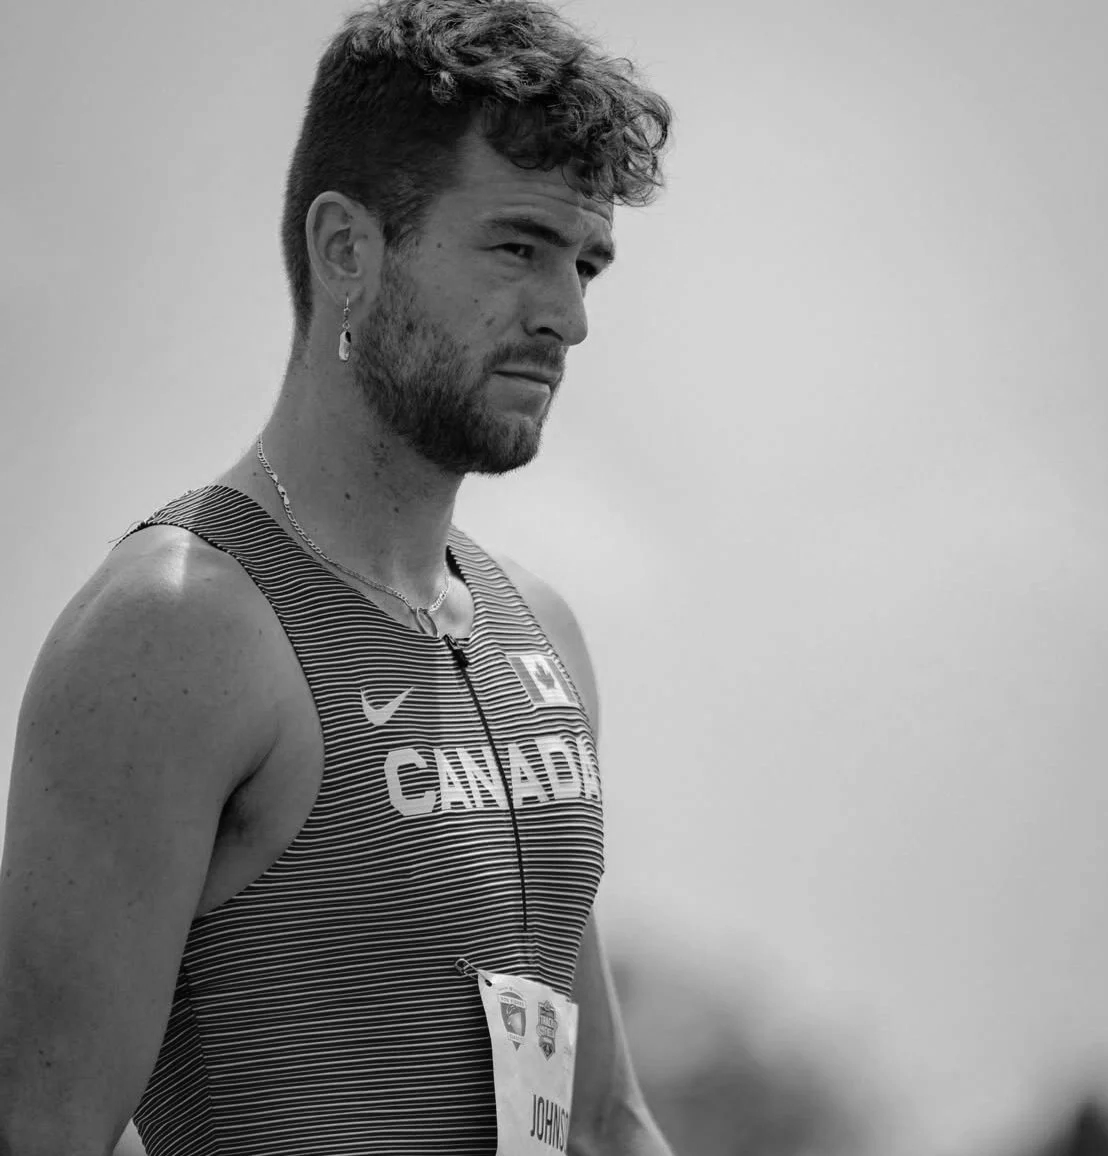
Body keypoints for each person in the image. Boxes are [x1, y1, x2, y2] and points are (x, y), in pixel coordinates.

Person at [0, 1, 674, 1152]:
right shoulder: (174, 630)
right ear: (346, 249)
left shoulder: (540, 634)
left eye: (586, 263)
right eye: (518, 245)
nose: (566, 315)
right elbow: (42, 1126)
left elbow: (605, 1118)